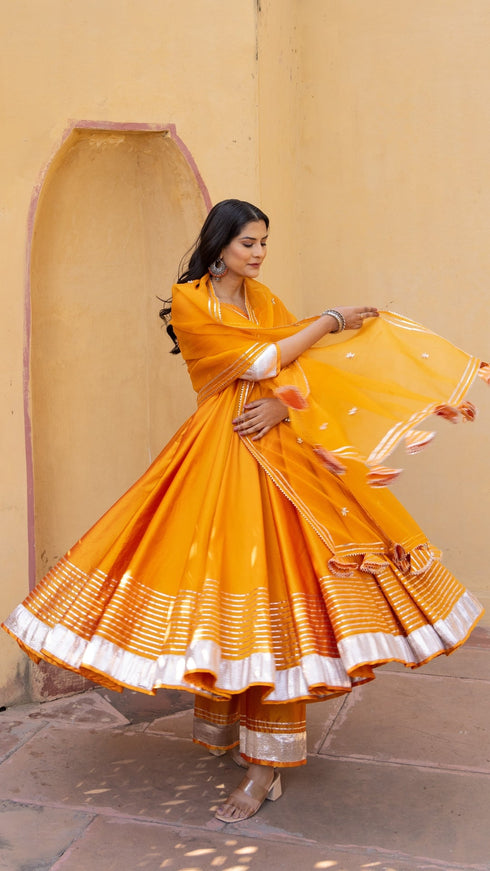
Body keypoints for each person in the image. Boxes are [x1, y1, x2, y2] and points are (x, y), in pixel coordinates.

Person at [3, 199, 486, 824]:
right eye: (248, 244)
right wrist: (330, 319)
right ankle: (237, 735)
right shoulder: (191, 300)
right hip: (220, 453)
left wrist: (285, 406)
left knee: (285, 607)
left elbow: (299, 368)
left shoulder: (265, 302)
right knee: (235, 595)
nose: (258, 254)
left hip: (284, 453)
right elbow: (261, 363)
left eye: (264, 243)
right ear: (219, 244)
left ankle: (264, 772)